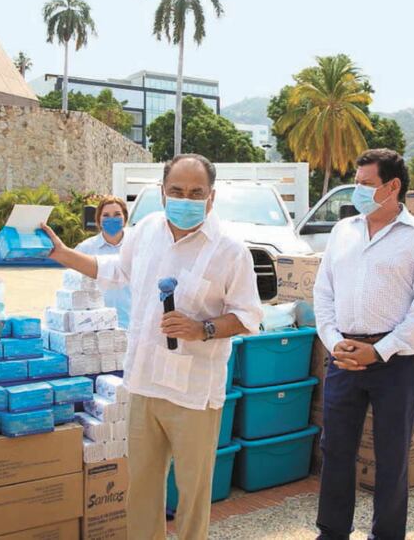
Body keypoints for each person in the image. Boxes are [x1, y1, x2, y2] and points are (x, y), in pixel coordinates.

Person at [40, 153, 263, 540]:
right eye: (176, 190)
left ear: (212, 197)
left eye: (196, 192)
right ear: (163, 192)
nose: (185, 198)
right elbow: (115, 271)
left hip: (193, 392)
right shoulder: (144, 231)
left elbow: (248, 316)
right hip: (143, 383)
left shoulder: (230, 250)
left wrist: (203, 328)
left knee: (193, 493)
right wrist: (64, 255)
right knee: (141, 487)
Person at [314, 148, 414, 540]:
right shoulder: (343, 231)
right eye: (356, 183)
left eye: (367, 184)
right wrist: (335, 342)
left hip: (396, 364)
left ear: (393, 187)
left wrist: (381, 349)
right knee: (335, 451)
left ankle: (387, 535)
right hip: (344, 359)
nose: (358, 191)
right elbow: (323, 294)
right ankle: (332, 532)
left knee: (392, 457)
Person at [74, 195, 132, 329]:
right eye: (106, 215)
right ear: (98, 220)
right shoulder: (86, 249)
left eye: (117, 214)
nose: (111, 219)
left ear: (124, 219)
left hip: (132, 323)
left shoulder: (137, 244)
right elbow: (75, 286)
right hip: (97, 325)